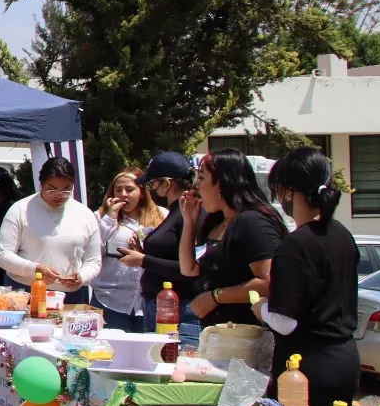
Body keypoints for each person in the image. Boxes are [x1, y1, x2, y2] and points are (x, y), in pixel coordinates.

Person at [252, 147, 359, 406]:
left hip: (307, 368)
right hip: (345, 359)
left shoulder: (296, 243)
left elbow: (285, 322)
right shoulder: (342, 235)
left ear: (288, 192)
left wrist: (260, 308)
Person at [178, 149, 283, 327]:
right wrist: (189, 223)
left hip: (246, 337)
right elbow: (189, 269)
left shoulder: (252, 222)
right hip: (217, 336)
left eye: (202, 178)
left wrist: (216, 296)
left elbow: (270, 283)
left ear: (221, 182)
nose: (195, 186)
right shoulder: (216, 222)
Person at [113, 153, 201, 348]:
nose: (151, 190)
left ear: (166, 184)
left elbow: (188, 268)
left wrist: (143, 260)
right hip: (159, 308)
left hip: (178, 311)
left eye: (152, 184)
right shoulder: (176, 213)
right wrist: (143, 254)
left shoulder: (188, 214)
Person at [0, 156, 101, 303]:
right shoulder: (20, 209)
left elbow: (94, 261)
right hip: (24, 291)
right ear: (41, 184)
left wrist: (82, 277)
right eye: (51, 189)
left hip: (71, 297)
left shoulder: (85, 214)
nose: (59, 195)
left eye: (66, 190)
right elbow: (3, 256)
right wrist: (35, 269)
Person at [93, 168, 164, 332]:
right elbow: (93, 252)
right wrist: (110, 218)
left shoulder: (161, 216)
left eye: (130, 189)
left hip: (146, 303)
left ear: (143, 192)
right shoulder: (101, 217)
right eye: (118, 190)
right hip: (110, 300)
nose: (123, 194)